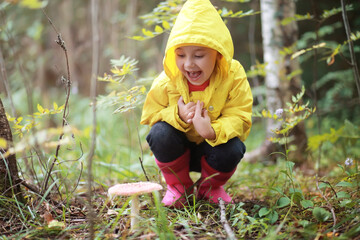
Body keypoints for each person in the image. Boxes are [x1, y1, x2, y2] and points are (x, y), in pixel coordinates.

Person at [140, 0, 253, 208]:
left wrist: (212, 131)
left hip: (212, 154)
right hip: (178, 151)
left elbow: (241, 116)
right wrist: (178, 115)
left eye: (199, 55)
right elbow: (150, 114)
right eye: (181, 55)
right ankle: (178, 187)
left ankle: (210, 187)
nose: (189, 63)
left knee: (234, 147)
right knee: (160, 133)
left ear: (218, 54)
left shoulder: (233, 75)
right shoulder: (167, 80)